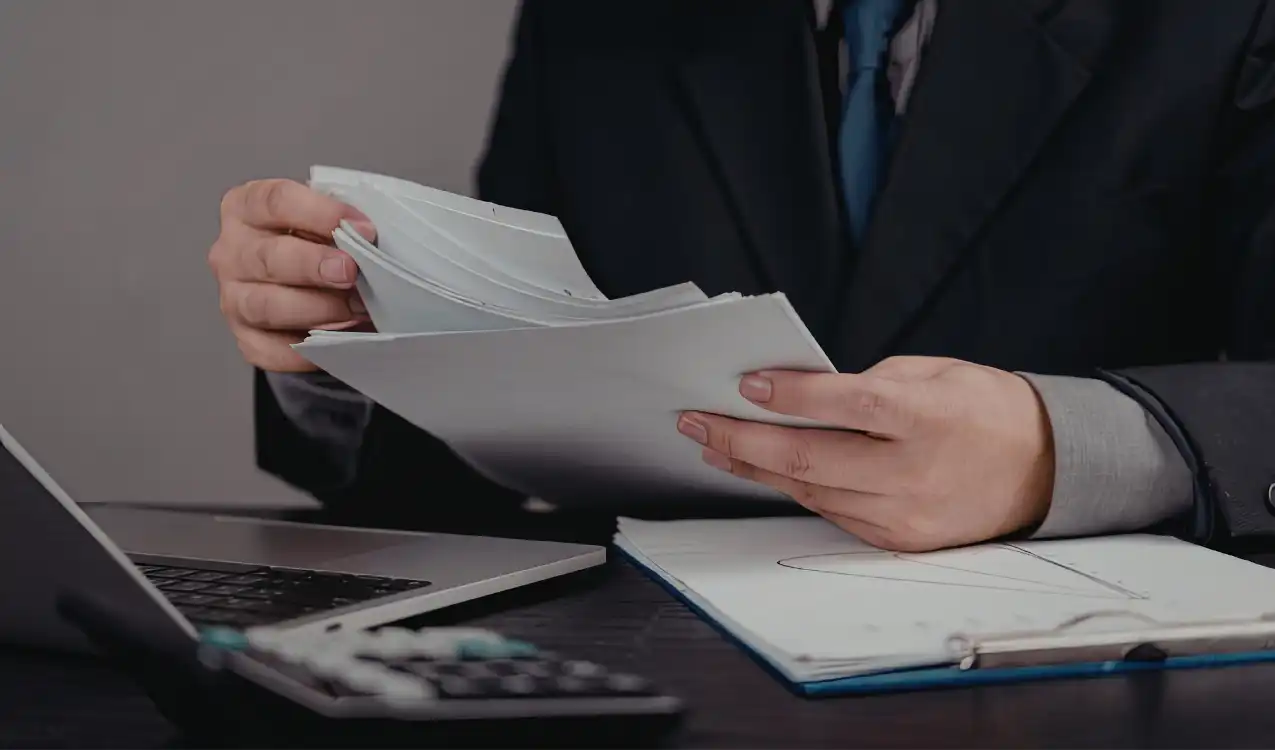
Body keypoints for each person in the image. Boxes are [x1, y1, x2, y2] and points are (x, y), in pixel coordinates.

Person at [208, 0, 1275, 552]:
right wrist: (354, 343)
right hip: (665, 682)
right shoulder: (601, 22)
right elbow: (490, 436)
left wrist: (1063, 452)